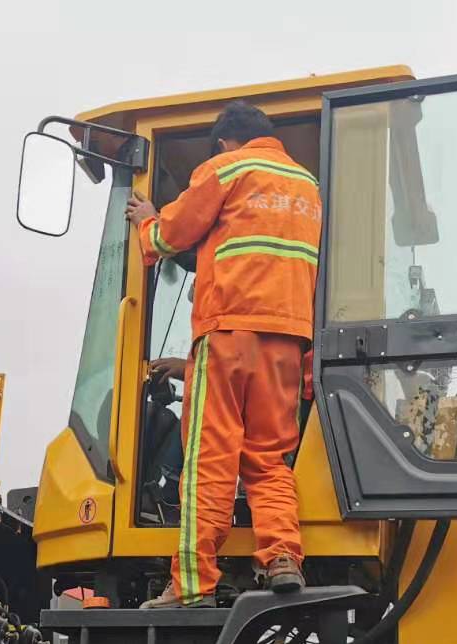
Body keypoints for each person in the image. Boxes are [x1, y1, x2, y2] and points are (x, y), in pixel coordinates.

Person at [127, 100, 321, 609]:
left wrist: (148, 222)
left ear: (223, 141)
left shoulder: (227, 168)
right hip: (288, 340)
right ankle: (282, 557)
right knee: (268, 459)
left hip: (228, 332)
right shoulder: (307, 186)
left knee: (209, 460)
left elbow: (172, 234)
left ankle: (192, 584)